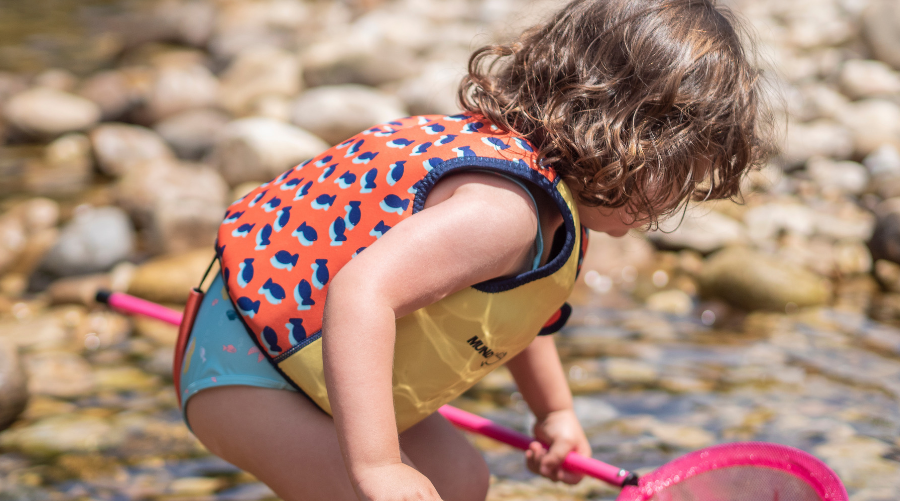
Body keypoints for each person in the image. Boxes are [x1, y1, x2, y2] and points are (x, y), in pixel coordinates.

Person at [176, 0, 773, 500]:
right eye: (680, 177)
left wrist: (554, 414)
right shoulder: (502, 214)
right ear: (635, 139)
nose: (674, 205)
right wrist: (379, 467)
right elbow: (361, 293)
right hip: (247, 368)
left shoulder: (543, 203)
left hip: (301, 365)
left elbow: (516, 316)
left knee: (461, 481)